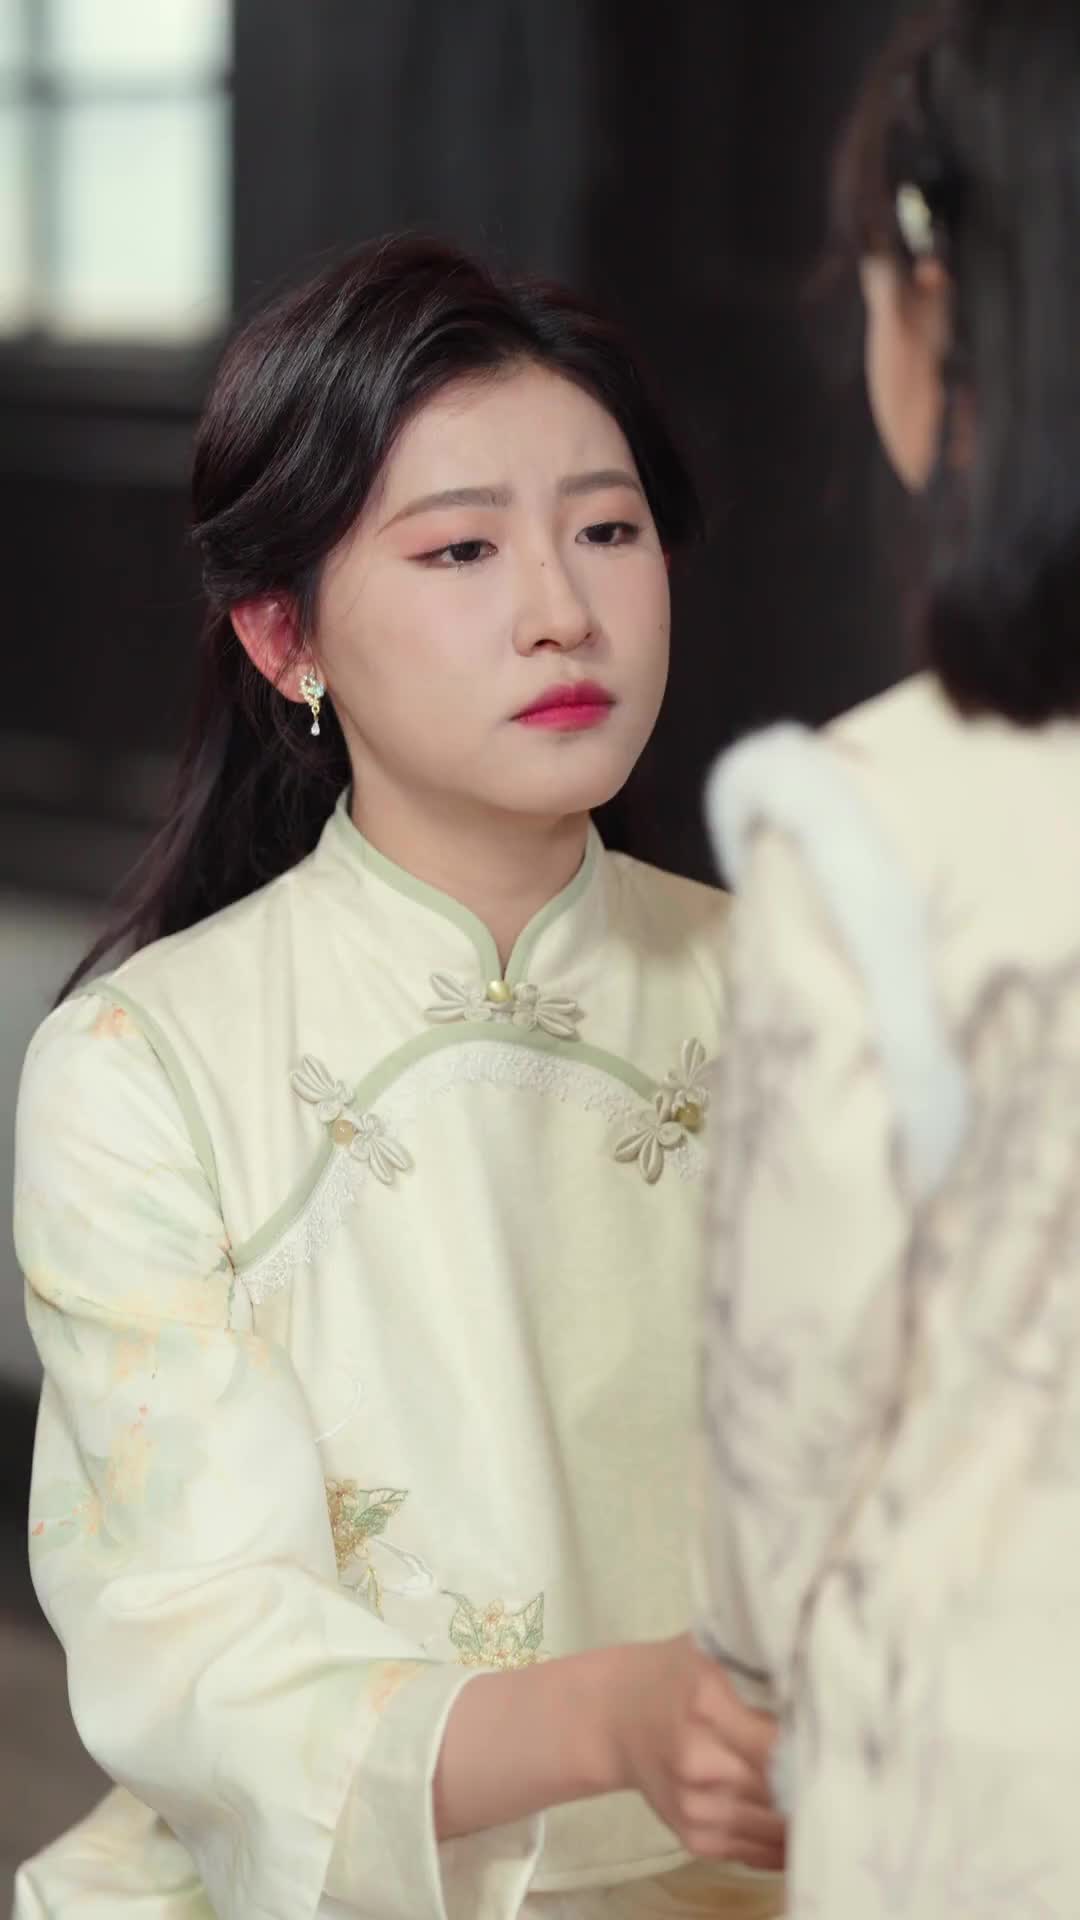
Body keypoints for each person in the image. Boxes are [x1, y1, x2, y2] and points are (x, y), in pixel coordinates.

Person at [12, 238, 784, 1920]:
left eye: (608, 529)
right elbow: (207, 1656)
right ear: (282, 632)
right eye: (460, 549)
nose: (561, 610)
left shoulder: (804, 996)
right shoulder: (141, 1069)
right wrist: (613, 1719)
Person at [696, 1, 1080, 1913]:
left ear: (936, 311)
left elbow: (795, 1396)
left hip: (983, 1774)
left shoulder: (863, 821)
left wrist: (748, 1673)